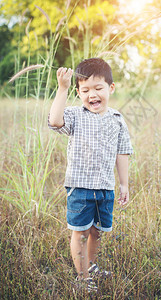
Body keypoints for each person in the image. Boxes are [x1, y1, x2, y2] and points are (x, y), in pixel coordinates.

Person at [48, 58, 133, 293]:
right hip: (80, 187)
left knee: (97, 231)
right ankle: (82, 276)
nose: (92, 95)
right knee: (81, 231)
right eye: (85, 90)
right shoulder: (75, 115)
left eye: (98, 88)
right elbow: (55, 121)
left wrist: (124, 184)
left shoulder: (117, 119)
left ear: (111, 88)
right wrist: (62, 88)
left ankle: (91, 265)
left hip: (106, 188)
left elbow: (122, 152)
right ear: (78, 92)